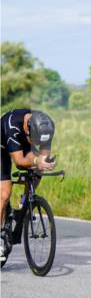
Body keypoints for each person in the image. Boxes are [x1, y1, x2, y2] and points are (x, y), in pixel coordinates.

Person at [1, 109, 56, 267]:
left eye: (39, 141)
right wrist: (37, 160)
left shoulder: (46, 126)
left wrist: (46, 162)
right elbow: (19, 161)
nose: (38, 143)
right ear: (27, 127)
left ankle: (24, 203)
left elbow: (44, 155)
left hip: (24, 142)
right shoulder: (13, 126)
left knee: (37, 171)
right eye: (35, 140)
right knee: (4, 194)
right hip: (2, 146)